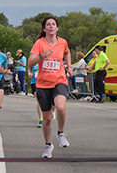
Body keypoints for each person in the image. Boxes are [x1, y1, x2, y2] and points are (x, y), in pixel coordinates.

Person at [28, 16, 74, 159]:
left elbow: (66, 52)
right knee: (47, 119)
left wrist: (69, 67)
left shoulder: (62, 42)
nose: (51, 26)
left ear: (57, 28)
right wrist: (42, 56)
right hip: (42, 83)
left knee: (60, 107)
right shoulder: (39, 43)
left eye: (53, 24)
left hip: (59, 80)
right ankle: (48, 145)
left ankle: (61, 133)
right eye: (48, 24)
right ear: (44, 29)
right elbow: (30, 62)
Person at [28, 62, 43, 127]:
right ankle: (41, 119)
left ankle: (48, 114)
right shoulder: (34, 60)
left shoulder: (45, 60)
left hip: (44, 82)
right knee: (39, 100)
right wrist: (29, 73)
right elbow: (29, 68)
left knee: (46, 100)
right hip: (34, 82)